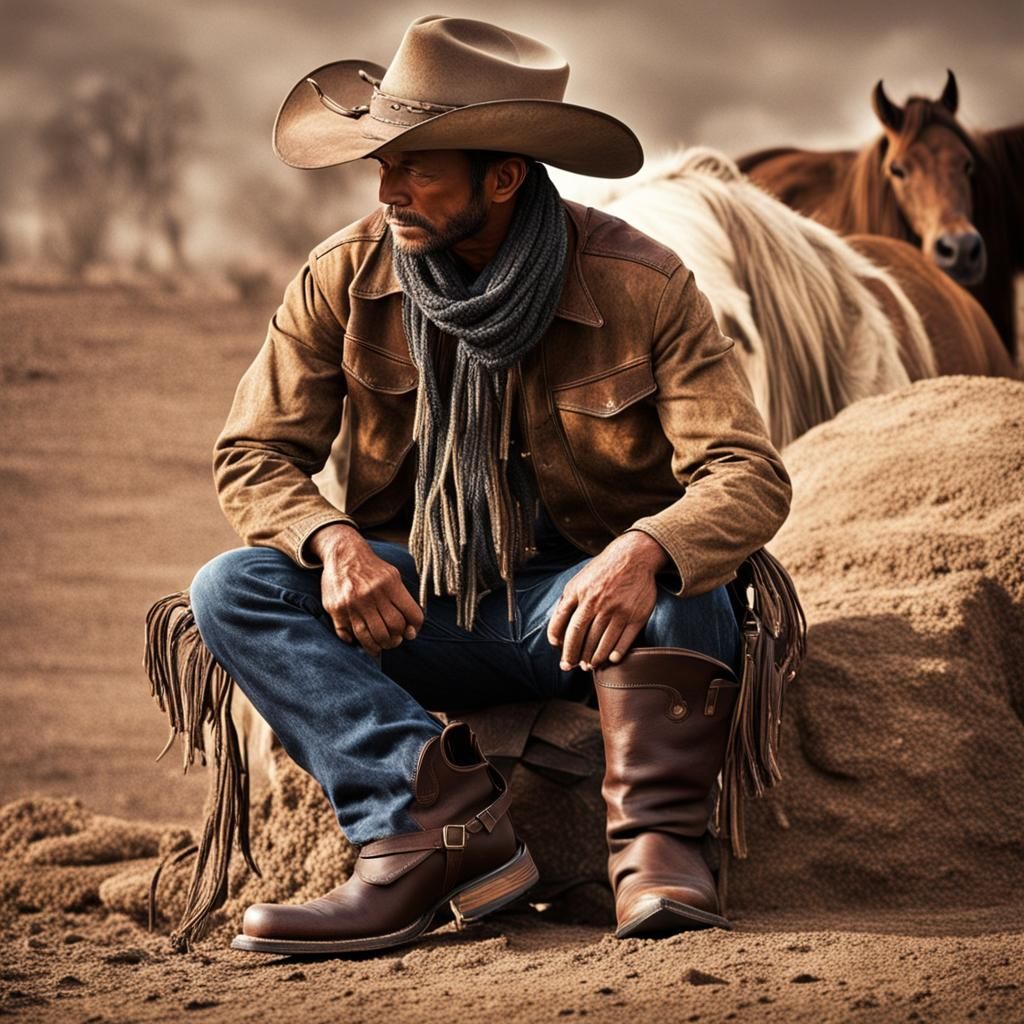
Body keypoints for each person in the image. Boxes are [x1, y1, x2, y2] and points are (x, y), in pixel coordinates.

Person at [179, 14, 794, 955]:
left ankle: (657, 849)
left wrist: (643, 551)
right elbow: (253, 454)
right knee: (233, 589)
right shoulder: (344, 277)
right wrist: (334, 544)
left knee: (695, 585)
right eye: (382, 163)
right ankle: (430, 830)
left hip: (595, 617)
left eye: (417, 167)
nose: (387, 189)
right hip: (423, 605)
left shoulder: (643, 283)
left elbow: (745, 474)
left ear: (502, 177)